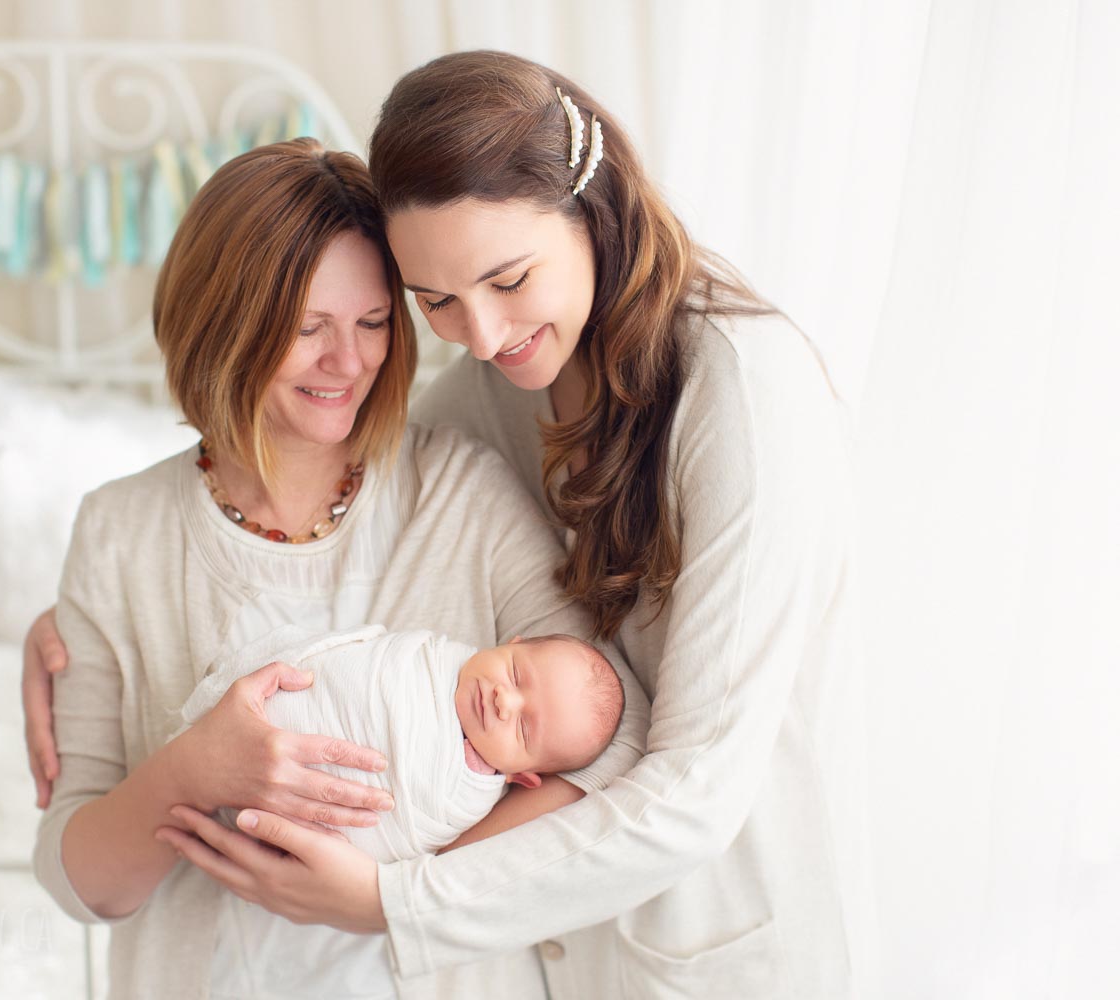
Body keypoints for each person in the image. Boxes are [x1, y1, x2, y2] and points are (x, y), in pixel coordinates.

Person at [107, 52, 874, 998]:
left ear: (591, 209)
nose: (481, 331)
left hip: (717, 935)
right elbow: (346, 505)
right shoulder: (487, 390)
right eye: (435, 302)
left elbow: (699, 787)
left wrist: (396, 901)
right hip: (553, 948)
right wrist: (76, 630)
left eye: (509, 278)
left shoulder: (744, 391)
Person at [28, 137, 649, 1000]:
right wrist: (190, 772)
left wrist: (391, 896)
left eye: (372, 324)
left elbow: (608, 745)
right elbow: (82, 881)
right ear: (221, 326)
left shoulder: (459, 492)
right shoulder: (121, 533)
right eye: (307, 328)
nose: (348, 362)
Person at [177, 623, 625, 861]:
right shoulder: (431, 658)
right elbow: (358, 663)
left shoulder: (466, 795)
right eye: (514, 674)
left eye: (524, 729)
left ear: (522, 777)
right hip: (263, 716)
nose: (504, 701)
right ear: (512, 643)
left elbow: (410, 834)